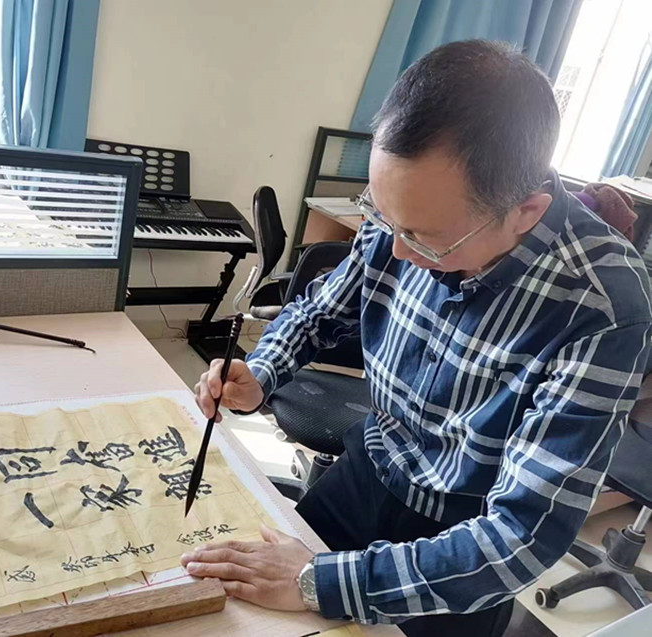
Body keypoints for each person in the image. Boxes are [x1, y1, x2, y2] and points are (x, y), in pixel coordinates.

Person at [182, 40, 652, 636]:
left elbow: (521, 536)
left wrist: (318, 582)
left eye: (426, 238)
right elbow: (320, 309)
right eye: (384, 217)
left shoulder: (603, 307)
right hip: (366, 468)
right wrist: (262, 370)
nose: (397, 252)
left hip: (462, 540)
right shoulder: (406, 217)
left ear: (527, 212)